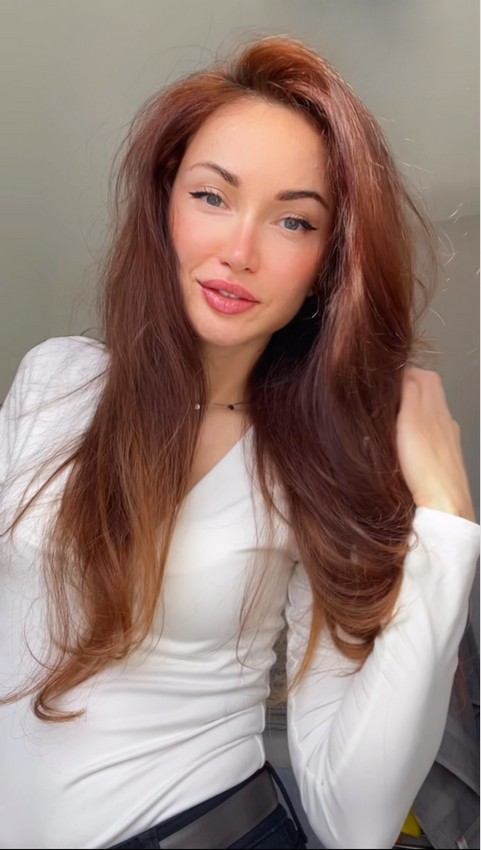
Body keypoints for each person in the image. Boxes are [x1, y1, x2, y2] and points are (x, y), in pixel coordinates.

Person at [0, 35, 478, 850]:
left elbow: (355, 820)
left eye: (293, 220)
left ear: (327, 262)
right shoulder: (56, 379)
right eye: (211, 196)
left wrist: (446, 525)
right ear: (164, 204)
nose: (239, 251)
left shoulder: (314, 465)